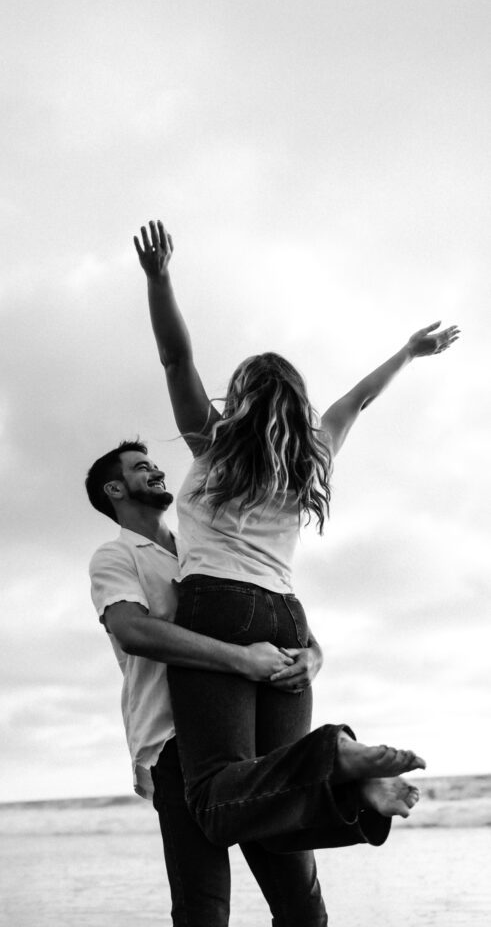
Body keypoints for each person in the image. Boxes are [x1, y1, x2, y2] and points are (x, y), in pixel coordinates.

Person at [132, 219, 459, 920]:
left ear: (242, 398)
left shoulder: (212, 445)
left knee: (215, 792)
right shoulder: (313, 452)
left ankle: (334, 767)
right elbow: (357, 400)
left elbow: (172, 359)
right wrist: (407, 350)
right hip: (287, 618)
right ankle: (343, 784)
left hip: (219, 607)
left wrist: (159, 280)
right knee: (273, 813)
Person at [86, 442, 419, 927]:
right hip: (176, 742)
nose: (157, 470)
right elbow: (131, 630)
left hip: (255, 737)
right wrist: (241, 660)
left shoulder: (202, 543)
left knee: (302, 905)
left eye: (154, 463)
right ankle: (339, 773)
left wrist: (314, 652)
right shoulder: (116, 556)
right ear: (114, 489)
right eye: (141, 468)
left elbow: (260, 597)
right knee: (205, 910)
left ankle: (345, 782)